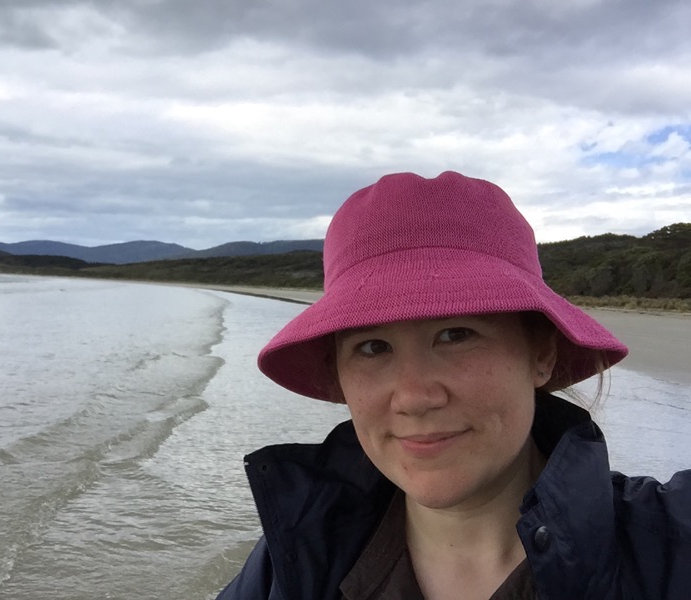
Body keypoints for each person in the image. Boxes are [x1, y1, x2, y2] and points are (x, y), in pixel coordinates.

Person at [216, 171, 691, 600]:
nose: (415, 397)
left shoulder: (669, 544)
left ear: (541, 353)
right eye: (373, 347)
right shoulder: (296, 559)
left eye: (456, 335)